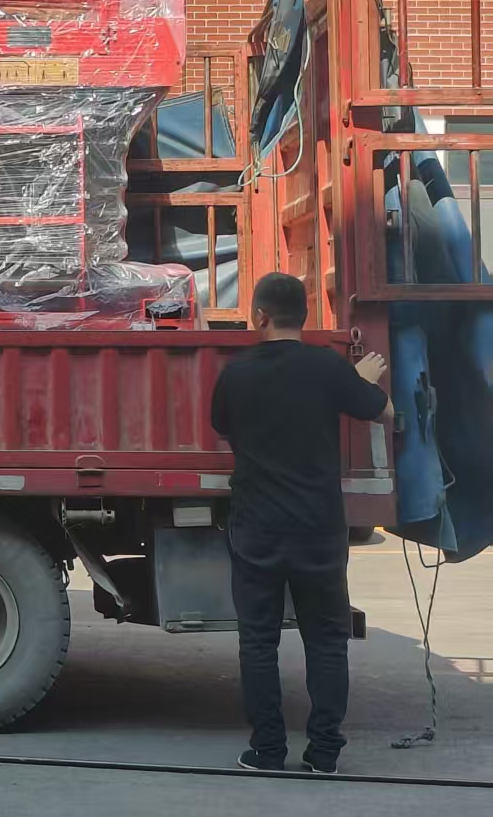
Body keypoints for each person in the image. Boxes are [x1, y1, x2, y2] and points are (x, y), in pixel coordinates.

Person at [210, 271, 391, 776]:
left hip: (257, 528)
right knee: (327, 641)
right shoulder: (328, 367)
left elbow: (222, 426)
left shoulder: (236, 374)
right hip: (319, 528)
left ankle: (268, 751)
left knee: (258, 642)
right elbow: (385, 412)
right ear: (304, 316)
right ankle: (324, 753)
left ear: (260, 316)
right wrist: (361, 382)